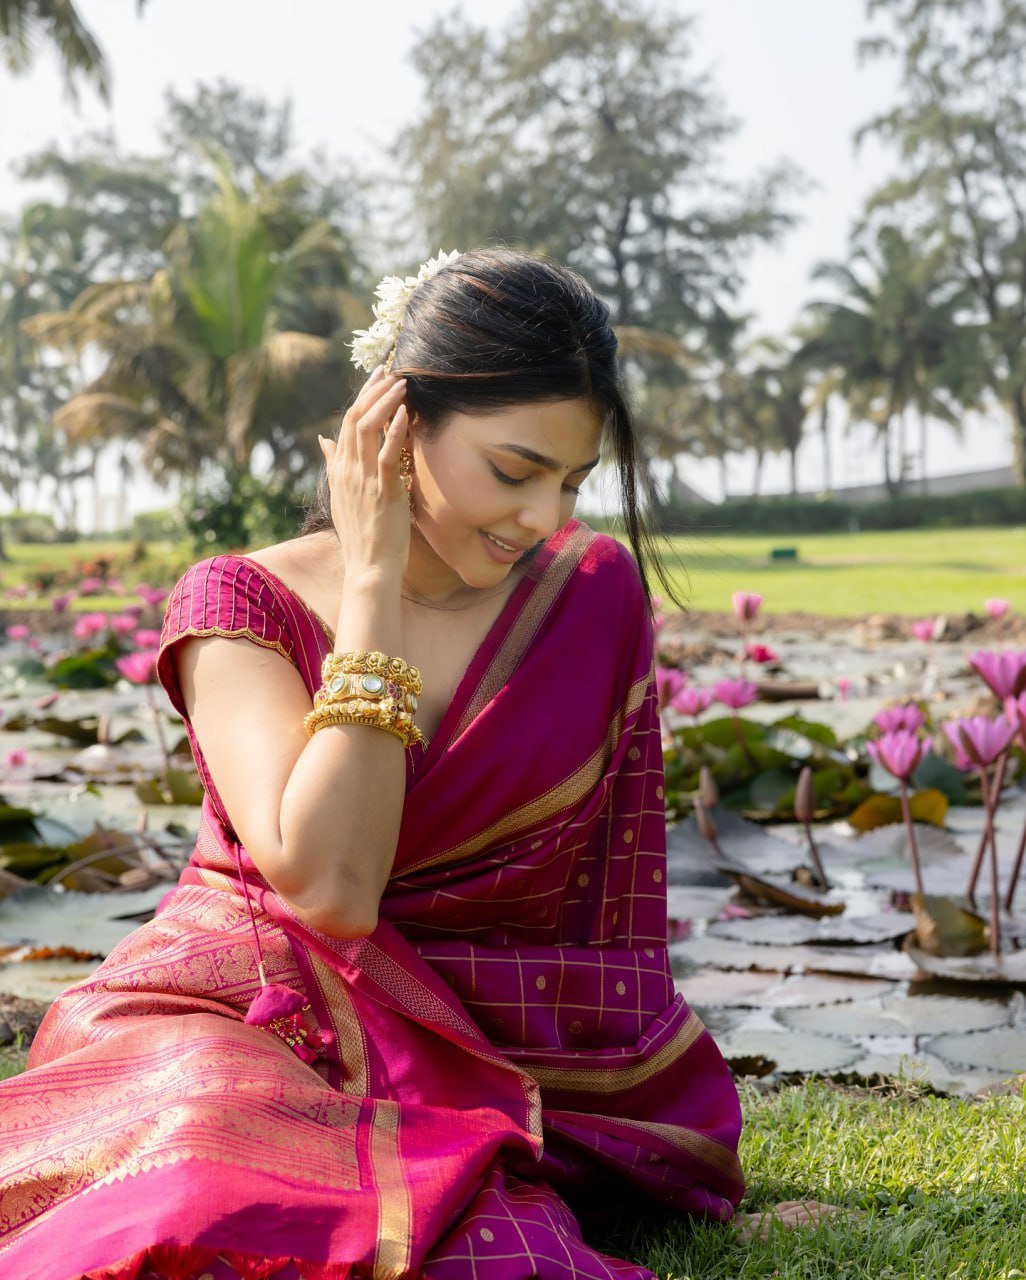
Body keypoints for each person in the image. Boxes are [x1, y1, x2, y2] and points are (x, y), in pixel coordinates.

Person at [0, 248, 746, 1279]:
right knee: (208, 1158)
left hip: (509, 1049)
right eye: (514, 470)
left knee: (494, 1251)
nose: (545, 518)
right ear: (397, 425)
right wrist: (375, 578)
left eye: (571, 481)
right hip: (245, 1015)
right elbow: (331, 888)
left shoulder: (591, 594)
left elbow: (607, 916)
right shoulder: (238, 604)